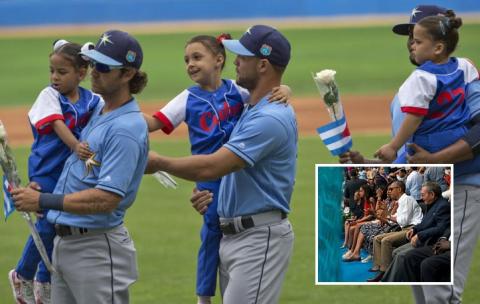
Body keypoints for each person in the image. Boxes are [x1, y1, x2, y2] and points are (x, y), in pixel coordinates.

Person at [147, 24, 296, 304]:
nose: (235, 62)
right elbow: (220, 170)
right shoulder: (250, 107)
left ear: (263, 64)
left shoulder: (267, 117)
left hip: (256, 238)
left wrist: (159, 162)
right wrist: (210, 194)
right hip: (233, 232)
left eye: (242, 57)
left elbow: (214, 166)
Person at [11, 29, 149, 304]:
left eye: (104, 66)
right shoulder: (99, 113)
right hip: (66, 246)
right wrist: (41, 184)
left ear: (127, 74)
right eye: (93, 63)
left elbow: (107, 198)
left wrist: (42, 199)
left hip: (95, 250)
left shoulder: (123, 127)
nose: (95, 71)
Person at [8, 40, 100, 304]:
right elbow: (57, 124)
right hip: (46, 171)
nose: (54, 77)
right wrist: (76, 145)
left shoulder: (93, 99)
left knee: (58, 227)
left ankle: (44, 281)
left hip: (71, 173)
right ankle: (22, 274)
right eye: (52, 71)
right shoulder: (48, 95)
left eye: (61, 72)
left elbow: (110, 116)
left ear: (81, 73)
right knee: (47, 225)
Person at [374, 10, 478, 163]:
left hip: (430, 143)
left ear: (438, 48)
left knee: (407, 159)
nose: (412, 44)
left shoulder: (421, 78)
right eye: (411, 38)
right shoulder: (463, 66)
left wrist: (393, 147)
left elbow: (415, 116)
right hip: (459, 135)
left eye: (418, 41)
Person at [381, 181, 450, 282]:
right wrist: (415, 229)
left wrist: (419, 235)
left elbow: (441, 228)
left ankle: (390, 281)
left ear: (432, 194)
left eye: (423, 195)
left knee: (401, 256)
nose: (421, 198)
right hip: (422, 237)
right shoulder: (431, 204)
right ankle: (391, 279)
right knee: (396, 252)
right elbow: (424, 223)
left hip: (431, 241)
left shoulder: (443, 206)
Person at [367, 180, 422, 282]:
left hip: (412, 229)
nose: (388, 192)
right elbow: (393, 218)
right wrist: (387, 212)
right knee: (376, 238)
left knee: (386, 240)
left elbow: (403, 221)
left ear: (399, 189)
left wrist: (388, 214)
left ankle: (385, 273)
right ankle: (379, 268)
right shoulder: (401, 201)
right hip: (404, 228)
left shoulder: (407, 199)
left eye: (391, 189)